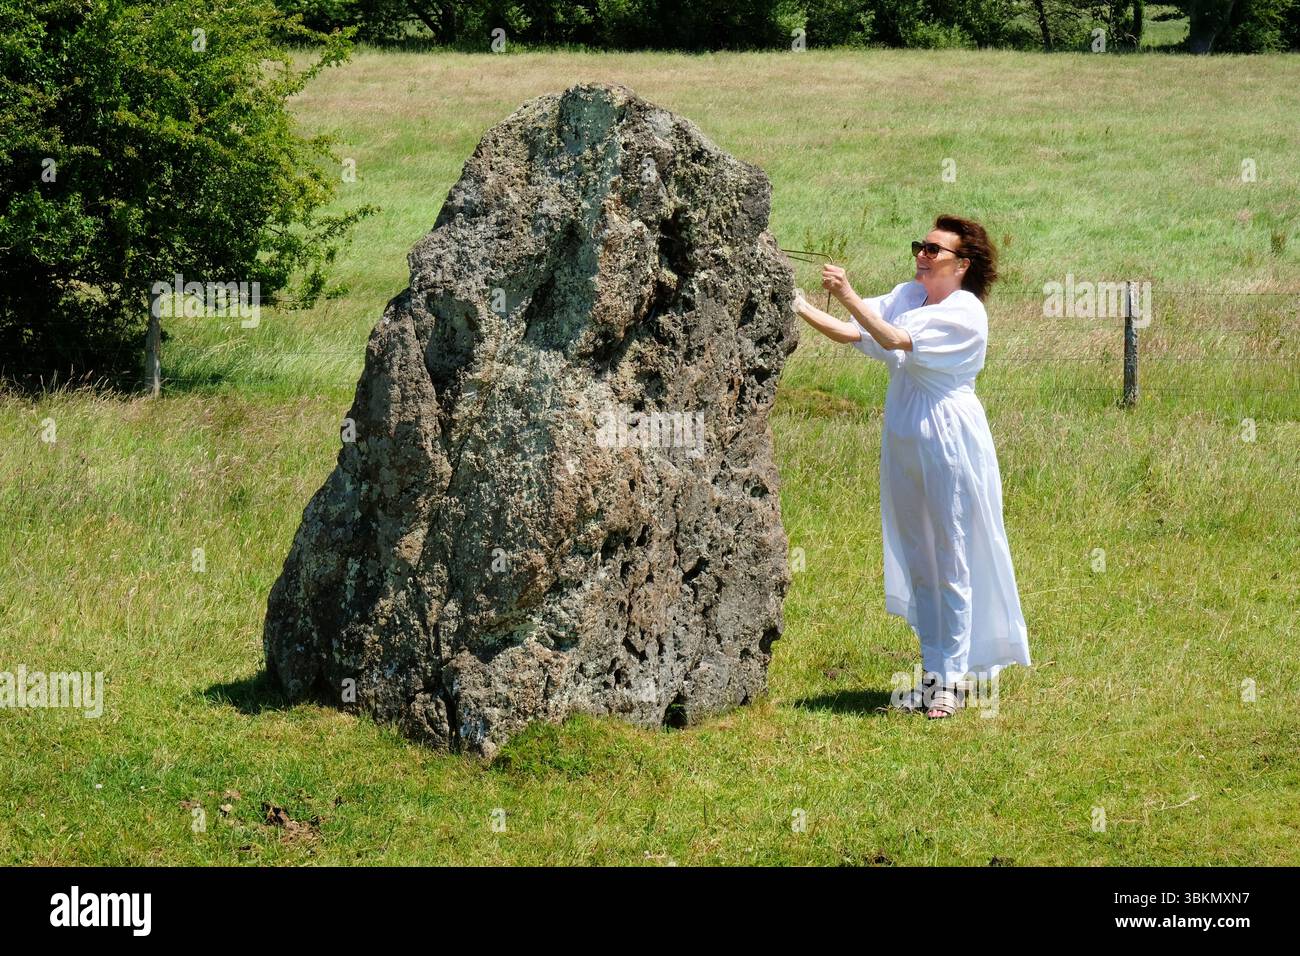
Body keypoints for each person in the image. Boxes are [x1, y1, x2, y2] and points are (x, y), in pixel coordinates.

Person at [792, 214, 1031, 718]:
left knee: (953, 554)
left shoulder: (966, 313)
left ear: (961, 265)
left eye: (934, 250)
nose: (922, 254)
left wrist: (850, 293)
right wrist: (795, 303)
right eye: (920, 245)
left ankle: (954, 680)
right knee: (919, 554)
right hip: (903, 436)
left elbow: (896, 340)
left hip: (950, 439)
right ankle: (930, 673)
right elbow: (856, 333)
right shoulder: (908, 294)